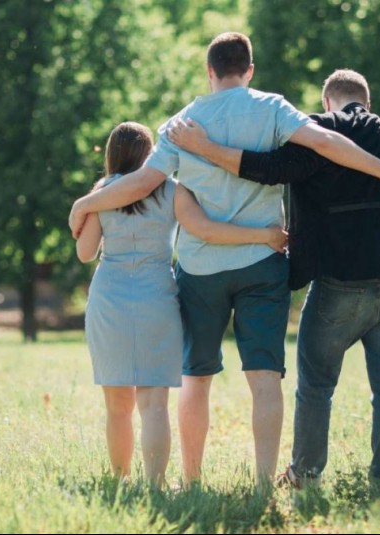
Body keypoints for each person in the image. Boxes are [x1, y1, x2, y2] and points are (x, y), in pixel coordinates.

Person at [68, 32, 380, 487]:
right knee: (265, 377)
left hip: (200, 269)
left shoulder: (181, 124)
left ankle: (191, 481)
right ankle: (265, 482)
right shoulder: (272, 108)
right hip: (263, 260)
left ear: (209, 72)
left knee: (196, 377)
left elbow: (140, 183)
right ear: (249, 69)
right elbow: (327, 142)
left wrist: (84, 204)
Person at [166, 69, 380, 488]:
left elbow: (268, 168)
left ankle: (305, 476)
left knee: (315, 384)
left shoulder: (317, 131)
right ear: (368, 102)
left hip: (339, 278)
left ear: (327, 102)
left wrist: (204, 147)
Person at [75, 121, 286, 488]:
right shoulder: (172, 190)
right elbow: (205, 230)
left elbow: (84, 253)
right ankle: (156, 486)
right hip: (157, 296)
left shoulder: (101, 195)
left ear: (111, 155)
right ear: (149, 154)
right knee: (154, 404)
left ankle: (121, 480)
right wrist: (263, 236)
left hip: (110, 299)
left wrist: (83, 214)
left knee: (117, 406)